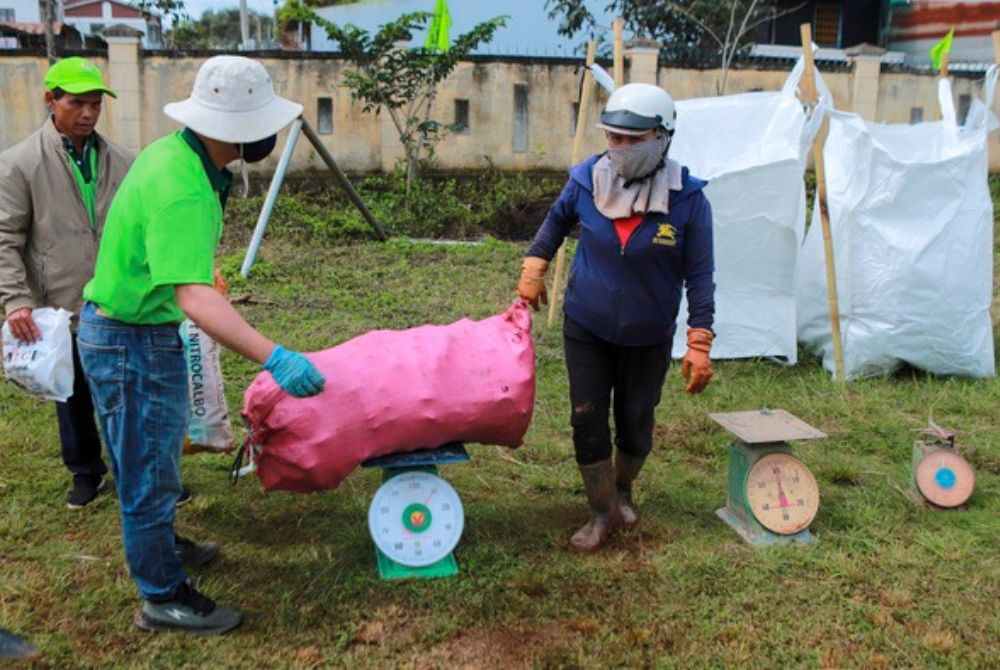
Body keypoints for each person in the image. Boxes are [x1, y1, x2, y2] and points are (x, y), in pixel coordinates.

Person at [77, 55, 325, 635]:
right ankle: (162, 595)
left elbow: (171, 262)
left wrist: (193, 273)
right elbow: (193, 299)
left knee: (156, 462)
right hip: (129, 341)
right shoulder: (184, 185)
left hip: (133, 329)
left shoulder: (176, 155)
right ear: (233, 130)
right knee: (146, 472)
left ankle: (161, 545)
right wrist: (274, 355)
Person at [517, 83, 715, 553]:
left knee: (636, 419)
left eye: (632, 139)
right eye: (612, 137)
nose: (619, 149)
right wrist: (534, 267)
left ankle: (622, 487)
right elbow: (555, 222)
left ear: (662, 138)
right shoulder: (587, 179)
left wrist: (699, 339)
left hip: (647, 333)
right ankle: (602, 512)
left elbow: (700, 274)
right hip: (586, 323)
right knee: (586, 417)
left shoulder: (688, 201)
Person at [0, 57, 134, 509]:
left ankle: (137, 474)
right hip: (60, 299)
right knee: (72, 392)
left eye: (96, 104)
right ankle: (85, 471)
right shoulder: (19, 164)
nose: (89, 114)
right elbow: (5, 237)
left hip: (116, 298)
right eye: (77, 103)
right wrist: (16, 299)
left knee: (124, 393)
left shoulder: (123, 160)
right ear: (50, 100)